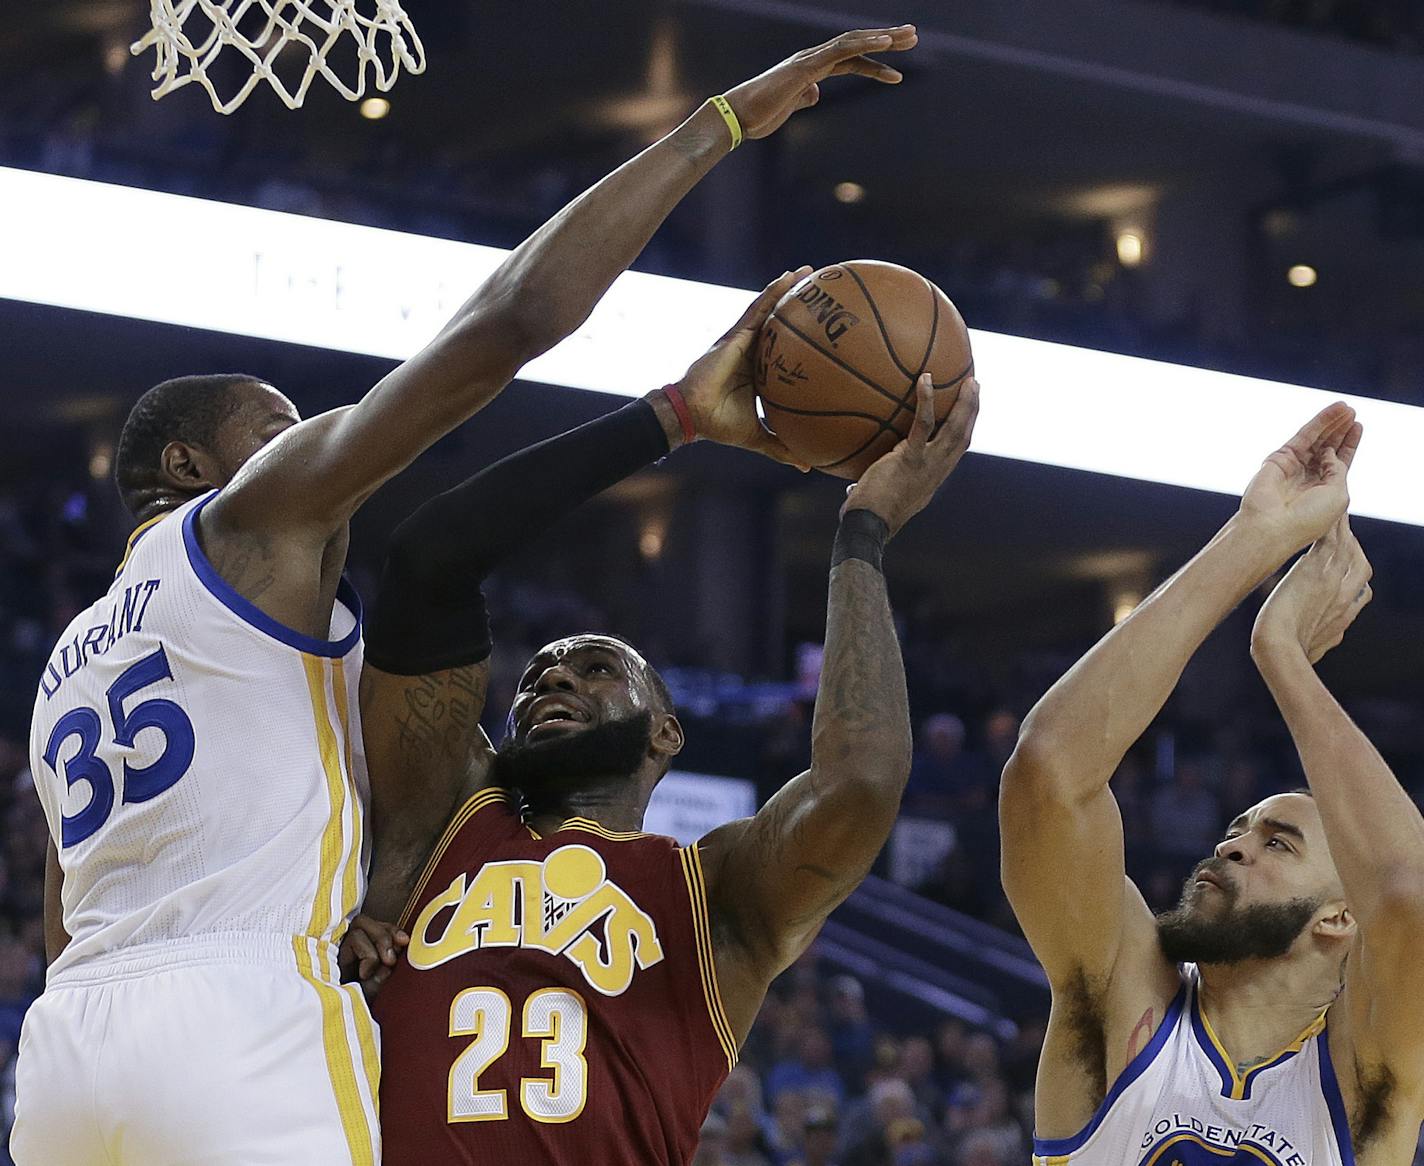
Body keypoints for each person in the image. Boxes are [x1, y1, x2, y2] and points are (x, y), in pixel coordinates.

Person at [11, 25, 919, 1164]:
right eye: (282, 433)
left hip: (68, 1056)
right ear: (198, 469)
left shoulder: (67, 666)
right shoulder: (257, 525)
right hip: (238, 1019)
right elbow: (511, 321)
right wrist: (716, 127)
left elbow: (66, 919)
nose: (317, 461)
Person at [341, 330, 979, 1161]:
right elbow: (428, 562)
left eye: (596, 669)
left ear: (666, 732)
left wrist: (862, 533)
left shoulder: (714, 892)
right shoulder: (447, 817)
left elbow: (859, 783)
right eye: (533, 681)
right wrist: (670, 418)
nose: (553, 684)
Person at [1000, 404, 1424, 1164]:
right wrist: (1252, 540)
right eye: (1237, 829)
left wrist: (1282, 655)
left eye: (1277, 843)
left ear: (1338, 918)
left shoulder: (1362, 1079)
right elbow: (1049, 773)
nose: (1231, 847)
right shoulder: (1126, 1000)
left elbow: (1409, 895)